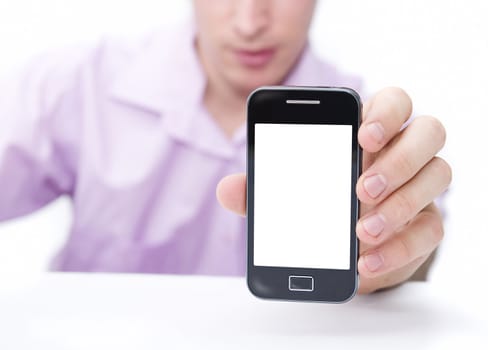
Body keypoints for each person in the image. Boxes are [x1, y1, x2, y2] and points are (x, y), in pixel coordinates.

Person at [0, 0, 450, 294]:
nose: (250, 22)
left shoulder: (373, 135)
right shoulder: (74, 85)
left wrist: (392, 260)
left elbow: (413, 261)